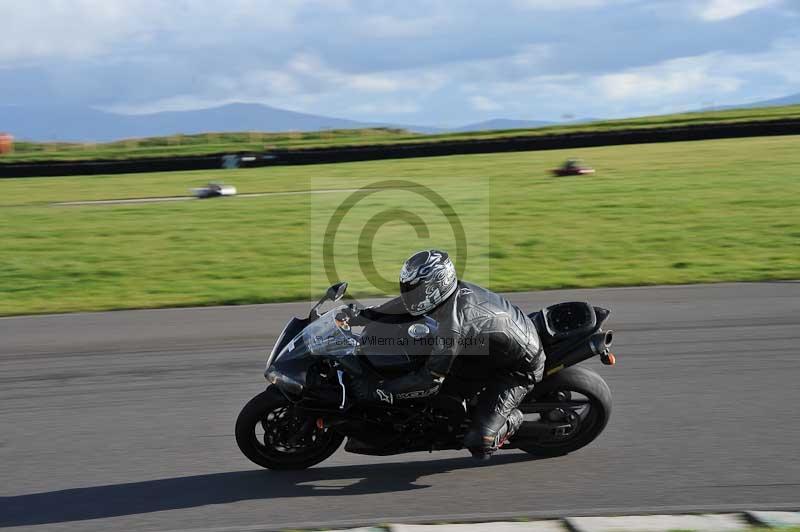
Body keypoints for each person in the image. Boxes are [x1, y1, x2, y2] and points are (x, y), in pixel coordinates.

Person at [347, 249, 545, 459]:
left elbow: (429, 380)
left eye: (415, 290)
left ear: (435, 287)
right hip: (492, 348)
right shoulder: (447, 297)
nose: (408, 295)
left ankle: (512, 420)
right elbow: (401, 307)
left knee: (479, 443)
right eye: (407, 288)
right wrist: (360, 316)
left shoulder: (453, 326)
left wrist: (381, 391)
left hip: (519, 368)